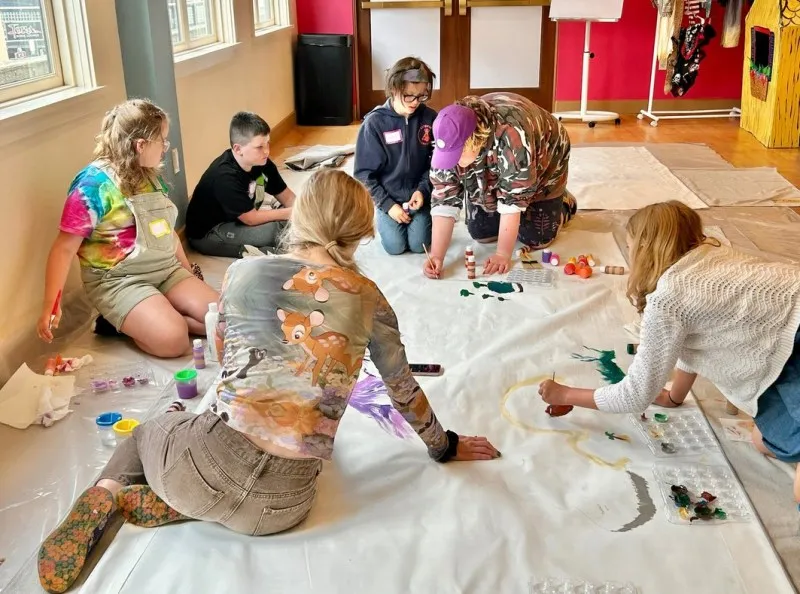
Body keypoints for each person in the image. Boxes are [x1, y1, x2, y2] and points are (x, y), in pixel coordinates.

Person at [36, 169, 500, 594]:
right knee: (258, 452)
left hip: (201, 465)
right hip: (284, 507)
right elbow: (402, 387)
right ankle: (194, 503)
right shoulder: (370, 298)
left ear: (301, 216)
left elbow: (223, 359)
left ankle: (107, 494)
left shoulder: (241, 272)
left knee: (150, 429)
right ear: (360, 233)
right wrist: (444, 446)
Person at [538, 201, 800, 504]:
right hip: (787, 345)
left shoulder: (668, 298)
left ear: (646, 250)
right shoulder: (711, 255)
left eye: (629, 246)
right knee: (762, 441)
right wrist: (675, 396)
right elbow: (695, 340)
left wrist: (565, 395)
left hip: (793, 353)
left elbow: (635, 394)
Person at [37, 99, 218, 359]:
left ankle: (155, 313)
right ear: (140, 145)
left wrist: (188, 273)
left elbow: (166, 233)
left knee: (220, 317)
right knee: (174, 341)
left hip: (165, 269)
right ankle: (128, 323)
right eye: (162, 142)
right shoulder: (92, 186)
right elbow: (63, 250)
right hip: (119, 281)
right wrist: (50, 307)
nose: (166, 148)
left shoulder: (150, 175)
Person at [422, 92, 576, 279]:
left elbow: (513, 199)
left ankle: (563, 202)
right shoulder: (448, 136)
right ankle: (501, 193)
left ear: (475, 140)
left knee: (537, 238)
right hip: (496, 164)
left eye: (458, 155)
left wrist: (503, 254)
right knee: (481, 233)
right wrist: (437, 255)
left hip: (544, 160)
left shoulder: (512, 136)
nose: (452, 162)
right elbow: (444, 197)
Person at [354, 57, 436, 255]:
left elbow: (435, 165)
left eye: (421, 96)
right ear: (393, 89)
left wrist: (423, 191)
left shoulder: (430, 119)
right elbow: (364, 174)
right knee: (395, 247)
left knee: (419, 246)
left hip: (419, 195)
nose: (415, 102)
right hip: (388, 197)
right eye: (408, 95)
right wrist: (388, 205)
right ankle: (384, 215)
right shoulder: (374, 123)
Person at [185, 112, 295, 258]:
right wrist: (292, 214)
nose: (267, 151)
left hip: (240, 218)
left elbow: (287, 197)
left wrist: (305, 211)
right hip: (210, 232)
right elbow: (251, 218)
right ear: (238, 149)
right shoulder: (224, 176)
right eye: (259, 147)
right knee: (277, 232)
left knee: (294, 223)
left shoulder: (262, 162)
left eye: (268, 143)